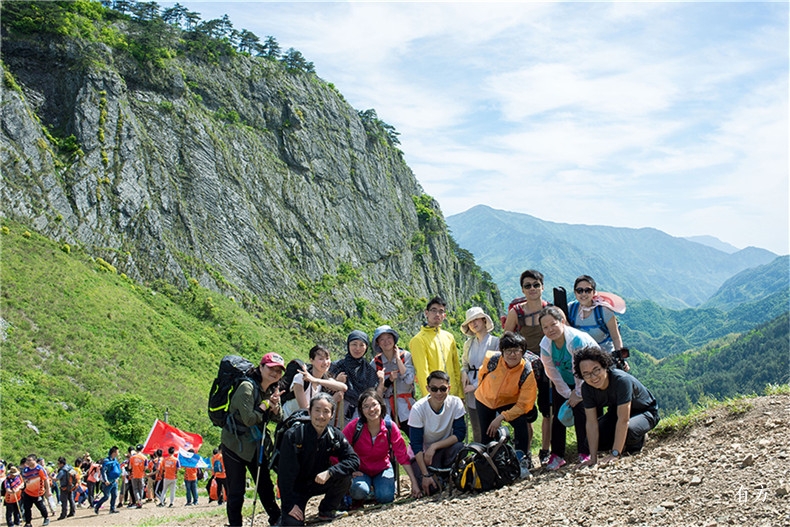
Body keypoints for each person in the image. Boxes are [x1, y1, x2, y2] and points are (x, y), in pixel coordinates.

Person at [220, 352, 285, 527]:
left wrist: (275, 405)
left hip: (256, 444)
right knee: (236, 491)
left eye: (279, 371)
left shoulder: (272, 390)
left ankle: (276, 518)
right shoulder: (246, 388)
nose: (275, 373)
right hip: (234, 445)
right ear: (261, 367)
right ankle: (235, 524)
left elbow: (279, 418)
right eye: (271, 368)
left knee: (264, 484)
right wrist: (266, 405)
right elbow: (248, 419)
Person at [278, 392, 360, 526]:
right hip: (296, 489)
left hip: (319, 481)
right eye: (317, 410)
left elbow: (353, 459)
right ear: (309, 411)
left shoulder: (334, 435)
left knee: (344, 476)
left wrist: (330, 472)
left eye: (326, 411)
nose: (321, 416)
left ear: (332, 415)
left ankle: (327, 510)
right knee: (293, 523)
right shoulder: (294, 435)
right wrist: (289, 505)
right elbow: (285, 475)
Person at [575, 346, 659, 465]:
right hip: (616, 413)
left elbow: (623, 420)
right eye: (586, 374)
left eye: (596, 370)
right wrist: (593, 458)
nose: (593, 377)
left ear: (605, 366)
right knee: (591, 440)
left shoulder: (621, 381)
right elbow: (591, 423)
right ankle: (622, 442)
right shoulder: (587, 389)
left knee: (630, 429)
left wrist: (615, 454)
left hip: (645, 412)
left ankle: (636, 442)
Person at [539, 306, 599, 470]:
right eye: (545, 327)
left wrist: (577, 394)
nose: (550, 330)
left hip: (588, 377)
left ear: (562, 321)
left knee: (582, 411)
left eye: (553, 324)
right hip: (564, 382)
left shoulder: (576, 340)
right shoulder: (545, 346)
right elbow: (552, 373)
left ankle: (584, 452)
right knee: (558, 414)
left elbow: (580, 370)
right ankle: (557, 455)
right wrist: (567, 394)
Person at [502, 270, 552, 464]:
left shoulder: (551, 310)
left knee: (548, 409)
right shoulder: (517, 312)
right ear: (522, 289)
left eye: (536, 284)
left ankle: (546, 451)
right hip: (526, 367)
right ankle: (526, 452)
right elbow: (507, 339)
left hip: (549, 364)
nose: (532, 289)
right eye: (528, 285)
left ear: (542, 286)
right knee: (524, 409)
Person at [342, 389, 421, 504]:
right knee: (359, 491)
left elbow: (402, 456)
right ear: (361, 410)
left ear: (381, 405)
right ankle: (364, 491)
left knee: (386, 497)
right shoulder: (354, 427)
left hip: (382, 468)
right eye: (366, 406)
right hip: (360, 469)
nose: (371, 409)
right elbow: (339, 450)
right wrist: (348, 471)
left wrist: (414, 482)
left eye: (374, 404)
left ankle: (375, 490)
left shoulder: (390, 427)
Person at [474, 331, 538, 468]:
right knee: (487, 435)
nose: (512, 355)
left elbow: (524, 405)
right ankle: (490, 466)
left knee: (521, 424)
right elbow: (481, 375)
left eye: (516, 351)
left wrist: (501, 417)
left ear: (523, 352)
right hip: (484, 399)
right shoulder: (492, 359)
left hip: (509, 402)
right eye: (508, 351)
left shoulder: (527, 372)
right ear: (502, 351)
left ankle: (522, 458)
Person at [408, 371, 466, 496]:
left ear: (449, 388)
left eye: (443, 389)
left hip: (444, 449)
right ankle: (440, 476)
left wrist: (435, 446)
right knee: (431, 488)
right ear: (427, 388)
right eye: (434, 389)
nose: (438, 393)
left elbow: (460, 434)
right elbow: (416, 445)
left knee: (460, 447)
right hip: (422, 456)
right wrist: (425, 474)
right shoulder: (418, 409)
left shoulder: (456, 403)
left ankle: (446, 476)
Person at [460, 306, 500, 443]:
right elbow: (465, 364)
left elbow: (496, 370)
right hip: (471, 391)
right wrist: (464, 373)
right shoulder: (468, 344)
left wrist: (476, 386)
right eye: (471, 322)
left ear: (484, 321)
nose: (474, 324)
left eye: (476, 320)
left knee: (490, 427)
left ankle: (494, 456)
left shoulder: (495, 342)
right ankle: (480, 457)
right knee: (476, 427)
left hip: (489, 391)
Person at [409, 296, 462, 398]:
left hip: (453, 394)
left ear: (444, 315)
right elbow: (422, 372)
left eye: (441, 311)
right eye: (434, 310)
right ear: (426, 313)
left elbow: (456, 367)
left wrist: (460, 394)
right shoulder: (418, 340)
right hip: (435, 396)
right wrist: (429, 398)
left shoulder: (449, 337)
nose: (437, 314)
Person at [371, 325, 416, 434]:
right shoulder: (375, 363)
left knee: (415, 438)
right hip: (386, 408)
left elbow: (409, 380)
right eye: (382, 339)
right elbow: (375, 392)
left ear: (394, 339)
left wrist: (398, 360)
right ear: (378, 343)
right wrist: (388, 380)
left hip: (406, 407)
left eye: (389, 338)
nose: (386, 341)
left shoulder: (405, 356)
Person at [282, 345, 347, 419]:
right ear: (311, 360)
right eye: (321, 359)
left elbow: (344, 388)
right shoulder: (300, 378)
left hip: (305, 423)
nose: (325, 362)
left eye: (327, 358)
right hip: (289, 421)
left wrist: (315, 380)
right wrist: (333, 400)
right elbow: (305, 410)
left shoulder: (324, 379)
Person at [330, 331, 381, 425]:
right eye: (354, 344)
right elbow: (325, 392)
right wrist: (336, 383)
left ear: (366, 348)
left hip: (360, 414)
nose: (358, 348)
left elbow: (372, 394)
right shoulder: (337, 366)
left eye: (362, 345)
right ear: (348, 345)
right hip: (337, 411)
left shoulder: (369, 371)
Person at [567, 275, 624, 354]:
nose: (583, 294)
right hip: (580, 358)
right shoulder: (570, 309)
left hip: (604, 356)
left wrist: (620, 358)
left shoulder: (604, 311)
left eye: (588, 290)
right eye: (579, 290)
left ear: (593, 292)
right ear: (575, 292)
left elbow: (615, 337)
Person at [21, 454, 51, 526]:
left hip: (38, 492)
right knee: (27, 507)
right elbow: (24, 478)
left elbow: (46, 480)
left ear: (34, 460)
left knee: (40, 506)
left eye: (29, 460)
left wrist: (48, 490)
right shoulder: (26, 469)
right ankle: (28, 523)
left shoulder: (39, 469)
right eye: (27, 460)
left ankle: (46, 517)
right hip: (27, 492)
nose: (28, 462)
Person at [94, 446, 121, 515]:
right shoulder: (107, 461)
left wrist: (116, 478)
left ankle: (112, 509)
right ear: (114, 452)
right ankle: (97, 506)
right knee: (106, 496)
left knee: (114, 495)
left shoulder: (115, 460)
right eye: (117, 451)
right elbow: (104, 471)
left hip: (114, 481)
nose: (118, 453)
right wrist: (106, 480)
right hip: (108, 482)